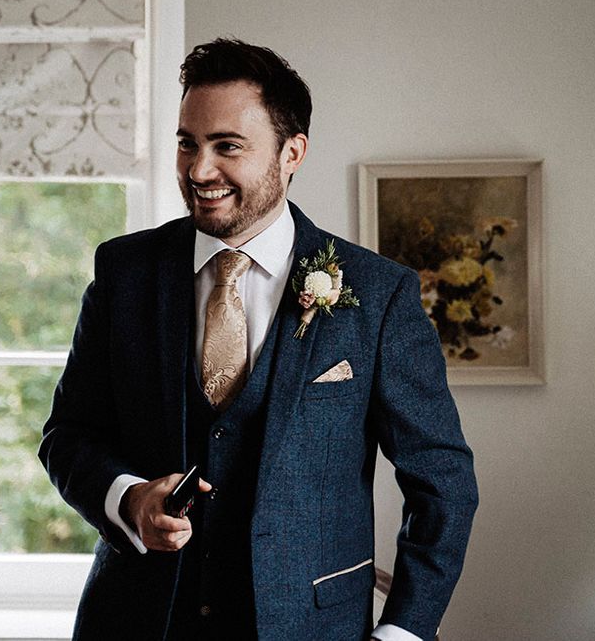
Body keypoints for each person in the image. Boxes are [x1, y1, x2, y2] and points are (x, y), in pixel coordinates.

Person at [39, 38, 478, 640]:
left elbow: (443, 482)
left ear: (291, 152)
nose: (198, 170)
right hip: (136, 620)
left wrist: (403, 631)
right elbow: (68, 434)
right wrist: (129, 497)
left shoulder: (378, 295)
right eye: (187, 143)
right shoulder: (125, 272)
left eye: (227, 147)